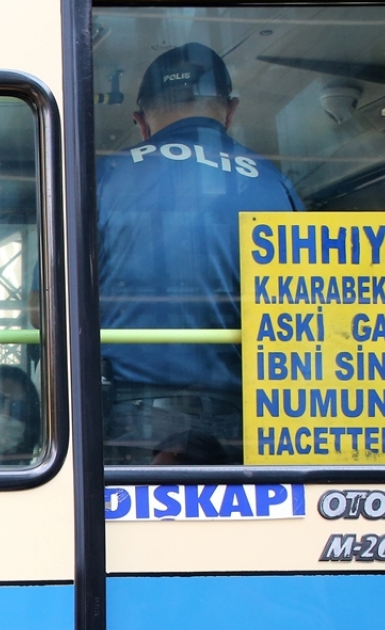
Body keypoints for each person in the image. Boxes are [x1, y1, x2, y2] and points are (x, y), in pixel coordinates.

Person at [97, 42, 304, 464]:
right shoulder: (274, 185)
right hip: (250, 419)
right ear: (230, 110)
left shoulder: (103, 178)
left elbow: (38, 309)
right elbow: (305, 308)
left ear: (140, 122)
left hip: (135, 421)